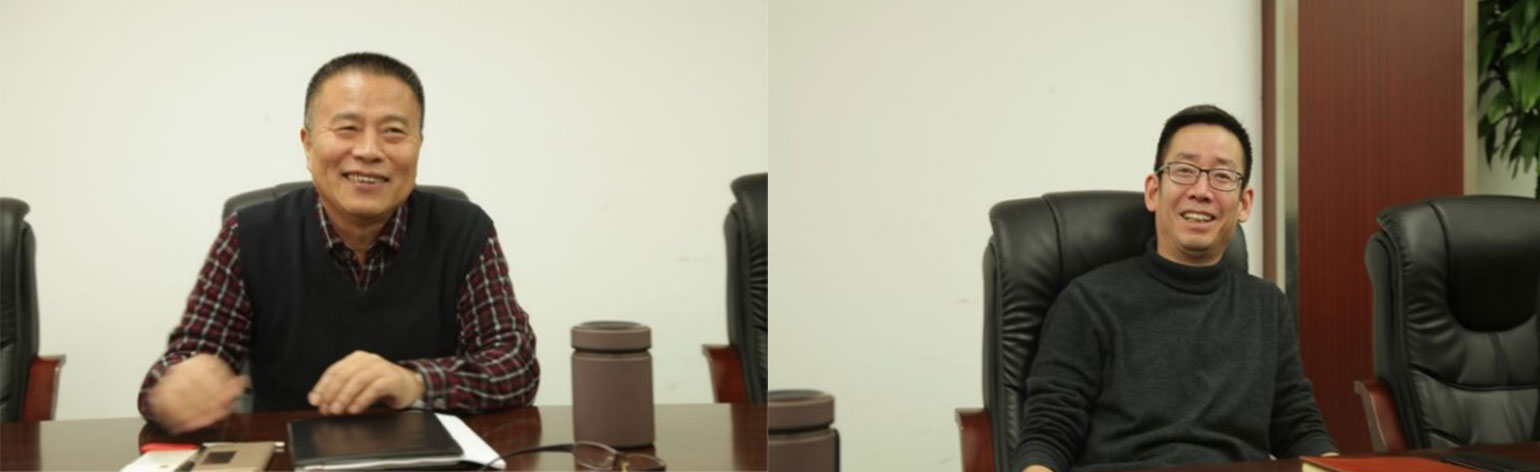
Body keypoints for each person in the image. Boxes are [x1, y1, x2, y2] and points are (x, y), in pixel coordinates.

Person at [138, 52, 539, 433]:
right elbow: (173, 371)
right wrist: (178, 389)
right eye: (347, 128)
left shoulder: (463, 230)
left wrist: (415, 381)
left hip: (432, 455)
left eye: (394, 132)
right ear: (308, 144)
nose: (368, 151)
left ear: (419, 144)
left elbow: (515, 364)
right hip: (288, 455)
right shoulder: (249, 235)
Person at [1013, 105, 1337, 471]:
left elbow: (1298, 426)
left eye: (1222, 176)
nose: (1201, 191)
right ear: (1154, 191)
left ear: (1244, 204)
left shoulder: (1266, 305)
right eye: (1184, 170)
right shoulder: (1088, 300)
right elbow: (1050, 431)